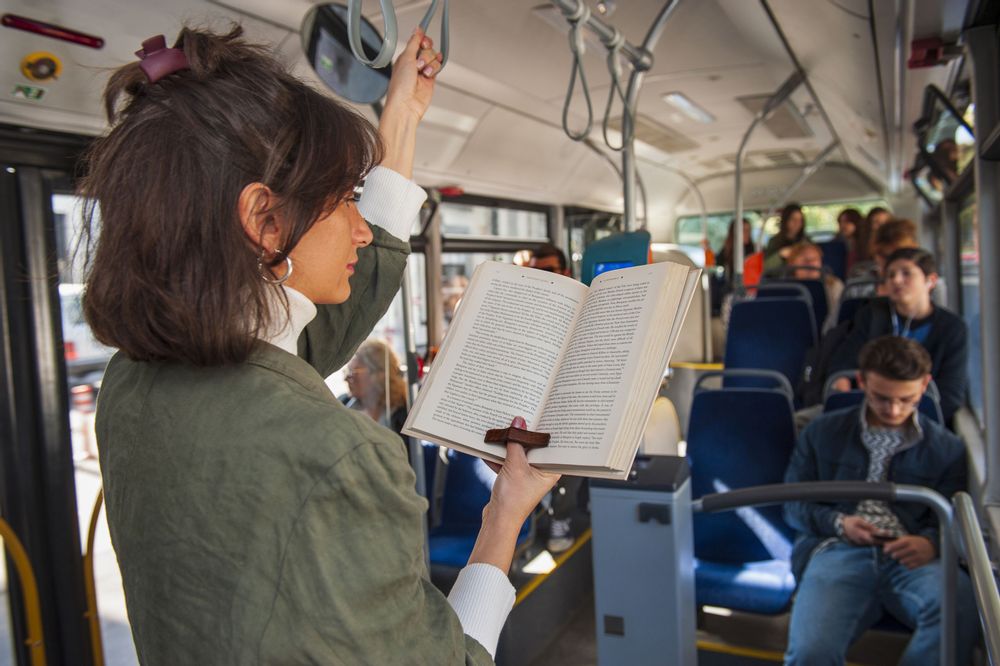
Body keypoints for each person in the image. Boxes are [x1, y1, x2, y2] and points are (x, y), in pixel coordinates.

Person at [83, 26, 559, 663]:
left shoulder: (130, 384)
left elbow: (306, 339)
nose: (362, 231)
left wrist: (403, 116)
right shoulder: (332, 454)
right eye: (345, 200)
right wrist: (505, 520)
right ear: (264, 220)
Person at [783, 336, 976, 666]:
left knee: (961, 610)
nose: (894, 410)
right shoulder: (822, 433)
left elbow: (952, 518)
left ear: (925, 386)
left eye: (908, 400)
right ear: (862, 382)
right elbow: (793, 505)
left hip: (913, 555)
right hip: (839, 548)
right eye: (881, 398)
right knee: (811, 653)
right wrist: (839, 523)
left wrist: (931, 543)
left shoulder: (947, 449)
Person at [828, 248, 967, 425]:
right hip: (867, 414)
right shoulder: (871, 315)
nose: (896, 280)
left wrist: (901, 415)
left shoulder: (951, 328)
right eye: (891, 275)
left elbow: (950, 394)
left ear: (930, 281)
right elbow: (842, 365)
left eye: (906, 274)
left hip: (923, 420)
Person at [524, 242, 586, 552]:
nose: (541, 278)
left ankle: (562, 515)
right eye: (534, 271)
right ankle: (533, 521)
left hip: (571, 395)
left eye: (547, 271)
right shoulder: (525, 311)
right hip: (532, 395)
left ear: (564, 272)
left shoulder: (583, 305)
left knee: (565, 465)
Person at [346, 339, 409, 440]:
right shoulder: (342, 404)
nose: (346, 378)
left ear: (380, 374)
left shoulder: (404, 415)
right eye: (348, 371)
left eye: (354, 372)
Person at [785, 241, 844, 333]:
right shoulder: (785, 288)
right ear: (793, 264)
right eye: (805, 260)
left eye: (815, 259)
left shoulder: (834, 285)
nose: (810, 263)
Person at [849, 206, 894, 279]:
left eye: (885, 222)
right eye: (876, 222)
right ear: (869, 225)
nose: (881, 226)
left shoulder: (897, 244)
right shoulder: (859, 246)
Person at [763, 203, 806, 275]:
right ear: (786, 220)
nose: (797, 223)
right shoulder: (774, 242)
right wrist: (780, 255)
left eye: (800, 220)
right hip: (780, 282)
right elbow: (766, 267)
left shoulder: (806, 241)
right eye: (793, 219)